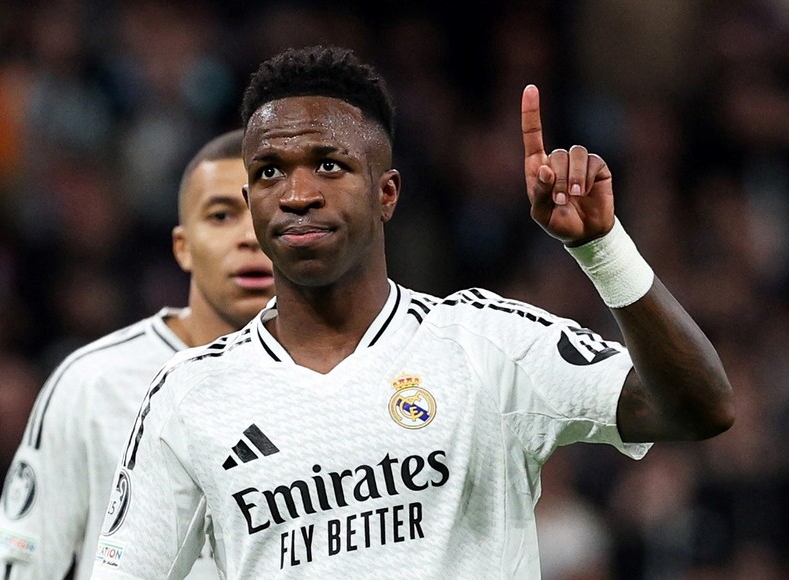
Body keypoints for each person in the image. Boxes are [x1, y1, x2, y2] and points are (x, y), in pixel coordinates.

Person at [90, 46, 734, 579]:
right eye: (268, 173)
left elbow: (699, 407)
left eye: (329, 164)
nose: (297, 194)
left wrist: (602, 248)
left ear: (386, 193)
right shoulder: (190, 393)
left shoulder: (487, 344)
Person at [0, 128, 275, 580]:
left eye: (266, 215)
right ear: (182, 246)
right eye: (221, 215)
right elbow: (18, 566)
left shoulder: (337, 383)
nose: (249, 239)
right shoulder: (93, 383)